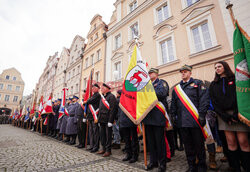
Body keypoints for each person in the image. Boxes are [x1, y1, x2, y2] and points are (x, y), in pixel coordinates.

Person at [209, 61, 250, 172]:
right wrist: (225, 116)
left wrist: (237, 113)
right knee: (231, 143)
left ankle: (247, 167)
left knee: (243, 142)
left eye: (219, 66)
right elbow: (214, 103)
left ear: (225, 67)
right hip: (223, 116)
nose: (217, 69)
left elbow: (241, 96)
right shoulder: (213, 84)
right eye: (215, 67)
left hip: (239, 114)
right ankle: (235, 167)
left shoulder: (236, 80)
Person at [170, 64, 209, 172]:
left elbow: (204, 100)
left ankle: (202, 166)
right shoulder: (177, 89)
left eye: (185, 71)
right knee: (188, 146)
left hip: (195, 121)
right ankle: (191, 165)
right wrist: (173, 116)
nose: (183, 73)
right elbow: (173, 104)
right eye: (182, 72)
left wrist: (201, 115)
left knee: (199, 145)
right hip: (182, 123)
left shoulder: (198, 83)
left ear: (190, 73)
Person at [143, 68, 169, 172]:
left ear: (156, 74)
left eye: (151, 73)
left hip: (158, 117)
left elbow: (162, 94)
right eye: (148, 73)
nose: (149, 74)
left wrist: (148, 90)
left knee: (160, 142)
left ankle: (162, 164)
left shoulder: (162, 83)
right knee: (151, 143)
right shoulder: (146, 85)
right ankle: (153, 162)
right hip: (148, 117)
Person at [117, 89, 139, 163]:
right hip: (123, 121)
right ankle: (128, 154)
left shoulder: (132, 96)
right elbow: (119, 111)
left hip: (131, 120)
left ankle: (135, 155)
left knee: (134, 140)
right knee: (126, 140)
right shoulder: (121, 98)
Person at [97, 83, 117, 157]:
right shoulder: (102, 98)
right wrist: (99, 120)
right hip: (102, 119)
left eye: (102, 88)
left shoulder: (111, 97)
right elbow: (100, 109)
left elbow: (113, 110)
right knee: (102, 135)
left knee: (108, 136)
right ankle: (103, 148)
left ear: (107, 89)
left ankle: (108, 150)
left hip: (107, 119)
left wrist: (110, 121)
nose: (101, 89)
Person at [85, 84, 101, 152]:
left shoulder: (97, 95)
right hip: (90, 116)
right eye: (92, 88)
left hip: (95, 116)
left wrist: (87, 100)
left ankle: (96, 146)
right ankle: (92, 145)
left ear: (98, 88)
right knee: (91, 132)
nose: (93, 89)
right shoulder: (92, 95)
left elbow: (89, 101)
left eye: (94, 87)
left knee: (95, 132)